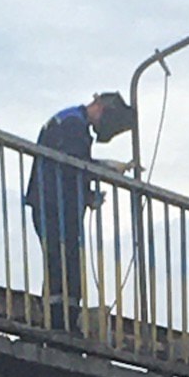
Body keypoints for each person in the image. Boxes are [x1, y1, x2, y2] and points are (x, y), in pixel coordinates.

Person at [24, 92, 135, 332]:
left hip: (55, 203)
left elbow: (70, 168)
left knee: (63, 262)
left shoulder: (70, 121)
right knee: (63, 263)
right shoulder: (73, 124)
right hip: (54, 206)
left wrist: (86, 196)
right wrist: (106, 168)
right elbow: (75, 164)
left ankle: (62, 318)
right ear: (101, 110)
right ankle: (60, 322)